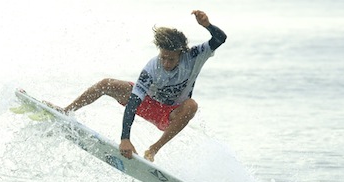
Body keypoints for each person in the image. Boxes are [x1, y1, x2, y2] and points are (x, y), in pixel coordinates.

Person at [56, 10, 227, 162]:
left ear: (181, 53)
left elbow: (220, 38)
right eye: (163, 57)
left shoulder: (194, 56)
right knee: (106, 84)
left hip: (170, 114)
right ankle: (67, 110)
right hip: (146, 105)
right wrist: (125, 138)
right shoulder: (152, 68)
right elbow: (133, 102)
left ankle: (153, 149)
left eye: (171, 59)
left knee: (191, 105)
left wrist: (207, 25)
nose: (166, 63)